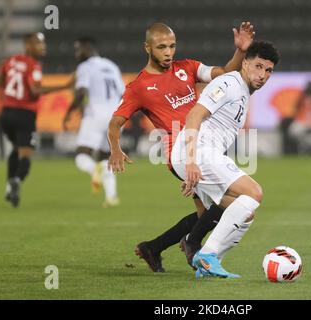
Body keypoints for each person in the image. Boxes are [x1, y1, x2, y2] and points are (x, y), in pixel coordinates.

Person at [107, 22, 255, 272]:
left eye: (172, 46)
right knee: (232, 205)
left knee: (207, 214)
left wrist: (240, 52)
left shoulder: (187, 67)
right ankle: (192, 245)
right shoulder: (139, 87)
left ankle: (153, 248)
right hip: (182, 151)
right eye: (161, 47)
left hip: (205, 144)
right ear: (148, 48)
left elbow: (225, 73)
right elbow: (115, 122)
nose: (168, 52)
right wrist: (115, 149)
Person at [170, 40, 280, 278]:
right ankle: (206, 254)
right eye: (258, 66)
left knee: (245, 212)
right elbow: (193, 116)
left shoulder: (243, 92)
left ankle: (210, 265)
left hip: (204, 155)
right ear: (246, 63)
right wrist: (190, 161)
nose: (262, 75)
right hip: (197, 151)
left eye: (268, 70)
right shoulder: (229, 83)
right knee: (254, 193)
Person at [0, 32, 72, 207]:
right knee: (26, 154)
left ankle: (8, 188)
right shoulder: (33, 65)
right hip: (24, 114)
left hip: (6, 113)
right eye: (38, 44)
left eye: (42, 44)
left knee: (16, 149)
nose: (43, 47)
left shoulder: (10, 61)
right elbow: (35, 90)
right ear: (28, 45)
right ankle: (17, 180)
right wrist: (63, 86)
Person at [63, 37, 125, 208]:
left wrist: (69, 112)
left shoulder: (85, 66)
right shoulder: (112, 66)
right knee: (106, 158)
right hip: (115, 116)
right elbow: (123, 94)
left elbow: (82, 91)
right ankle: (112, 197)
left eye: (78, 49)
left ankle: (94, 170)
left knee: (82, 155)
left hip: (95, 114)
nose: (76, 54)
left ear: (88, 48)